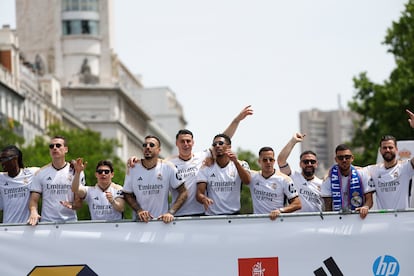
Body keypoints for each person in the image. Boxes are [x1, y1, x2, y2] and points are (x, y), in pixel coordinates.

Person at [130, 105, 254, 216]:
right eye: (182, 141)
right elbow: (150, 164)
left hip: (200, 213)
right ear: (176, 143)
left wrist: (236, 120)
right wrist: (136, 160)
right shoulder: (169, 163)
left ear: (193, 143)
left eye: (188, 141)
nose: (186, 144)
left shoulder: (202, 157)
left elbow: (223, 140)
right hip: (177, 214)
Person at [122, 135, 187, 223]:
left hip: (161, 222)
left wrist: (170, 212)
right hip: (139, 223)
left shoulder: (168, 167)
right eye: (145, 145)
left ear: (159, 150)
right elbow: (127, 194)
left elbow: (184, 192)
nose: (147, 147)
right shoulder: (133, 167)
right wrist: (139, 210)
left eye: (152, 145)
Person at [28, 136, 85, 225]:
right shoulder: (40, 173)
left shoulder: (76, 171)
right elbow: (33, 200)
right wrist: (33, 212)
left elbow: (79, 202)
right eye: (51, 146)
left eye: (58, 145)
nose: (54, 148)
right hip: (47, 223)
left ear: (66, 149)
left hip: (70, 223)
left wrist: (72, 205)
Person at [365, 110, 414, 209]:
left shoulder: (405, 168)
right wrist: (331, 172)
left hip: (402, 221)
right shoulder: (373, 170)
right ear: (380, 150)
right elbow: (352, 169)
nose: (387, 150)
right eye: (384, 148)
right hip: (384, 220)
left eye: (390, 147)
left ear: (396, 149)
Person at [196, 134, 251, 215]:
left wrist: (236, 162)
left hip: (234, 215)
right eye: (214, 144)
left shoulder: (241, 164)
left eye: (221, 143)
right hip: (212, 216)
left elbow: (247, 181)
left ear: (229, 147)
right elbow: (199, 193)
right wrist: (204, 199)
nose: (217, 146)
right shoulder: (206, 167)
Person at [321, 144, 374, 219]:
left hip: (358, 217)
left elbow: (369, 200)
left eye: (347, 157)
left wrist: (365, 207)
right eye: (341, 158)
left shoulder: (362, 174)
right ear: (336, 159)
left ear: (352, 158)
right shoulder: (328, 179)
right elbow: (328, 207)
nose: (344, 160)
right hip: (337, 219)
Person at [248, 147, 301, 220]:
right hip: (258, 222)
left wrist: (280, 211)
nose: (268, 162)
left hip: (277, 221)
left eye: (271, 159)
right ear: (259, 161)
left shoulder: (285, 179)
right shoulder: (252, 176)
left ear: (274, 161)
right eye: (265, 160)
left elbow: (297, 204)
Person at [277, 133, 323, 212]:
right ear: (300, 164)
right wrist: (293, 141)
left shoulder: (322, 184)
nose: (309, 164)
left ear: (316, 164)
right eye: (306, 161)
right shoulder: (292, 177)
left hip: (316, 222)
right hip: (296, 222)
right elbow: (281, 160)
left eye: (312, 162)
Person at [0, 145, 38, 223]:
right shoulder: (1, 178)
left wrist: (69, 165)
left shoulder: (31, 173)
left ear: (15, 158)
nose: (2, 162)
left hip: (27, 227)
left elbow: (50, 169)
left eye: (5, 159)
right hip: (7, 228)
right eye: (0, 159)